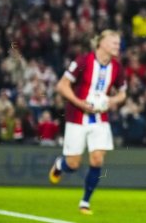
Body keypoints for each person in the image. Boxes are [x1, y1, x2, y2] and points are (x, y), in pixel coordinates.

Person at [48, 30, 127, 215]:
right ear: (102, 43)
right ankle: (60, 165)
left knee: (98, 159)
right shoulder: (83, 61)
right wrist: (79, 103)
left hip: (100, 118)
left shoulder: (117, 67)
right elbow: (62, 85)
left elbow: (123, 93)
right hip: (77, 116)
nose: (118, 46)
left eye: (118, 43)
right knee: (73, 164)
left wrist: (111, 100)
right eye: (114, 42)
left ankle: (85, 201)